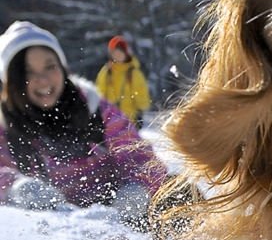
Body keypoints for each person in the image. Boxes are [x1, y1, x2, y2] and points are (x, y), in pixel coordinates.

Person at [0, 21, 167, 226]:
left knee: (180, 190)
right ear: (11, 81)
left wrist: (138, 188)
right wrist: (15, 187)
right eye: (28, 72)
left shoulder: (96, 109)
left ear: (63, 68)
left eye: (50, 67)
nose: (43, 80)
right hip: (57, 235)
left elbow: (139, 155)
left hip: (121, 221)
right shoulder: (5, 129)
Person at [95, 35, 151, 129]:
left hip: (129, 123)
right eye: (115, 53)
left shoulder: (134, 73)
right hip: (108, 123)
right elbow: (99, 95)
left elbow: (142, 97)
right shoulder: (106, 72)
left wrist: (140, 113)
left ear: (126, 53)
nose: (117, 56)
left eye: (120, 53)